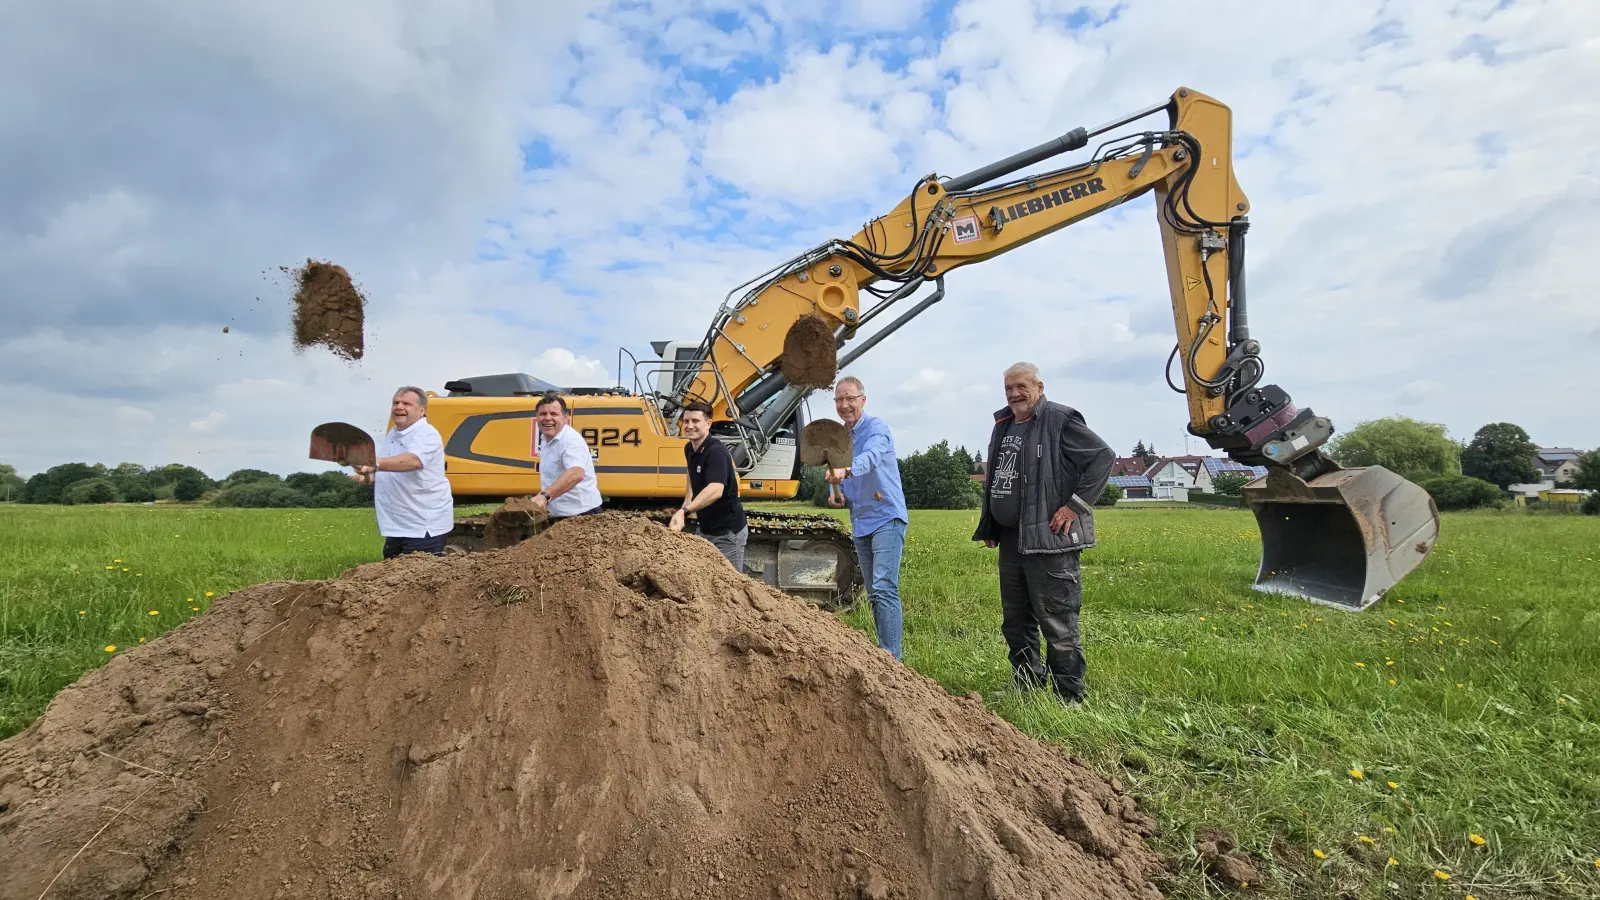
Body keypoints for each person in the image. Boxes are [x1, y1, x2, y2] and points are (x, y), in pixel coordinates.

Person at [972, 362, 1114, 704]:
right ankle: (1027, 685)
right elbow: (998, 478)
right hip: (1011, 540)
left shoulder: (1060, 420)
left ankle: (1069, 696)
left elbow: (1103, 458)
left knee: (1057, 622)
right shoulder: (1004, 424)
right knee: (1016, 621)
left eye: (1021, 386)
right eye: (1008, 388)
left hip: (1049, 541)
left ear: (1039, 386)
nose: (1014, 394)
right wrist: (992, 522)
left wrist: (1075, 506)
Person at [824, 376, 909, 660]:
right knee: (874, 592)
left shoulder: (876, 428)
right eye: (839, 400)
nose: (845, 405)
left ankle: (891, 659)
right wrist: (837, 493)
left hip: (886, 517)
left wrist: (845, 471)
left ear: (863, 399)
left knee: (884, 587)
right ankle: (885, 653)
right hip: (861, 521)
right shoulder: (840, 439)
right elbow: (841, 478)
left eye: (850, 398)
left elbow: (870, 458)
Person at [353, 386, 454, 559]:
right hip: (398, 524)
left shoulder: (427, 433)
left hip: (423, 527)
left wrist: (375, 464)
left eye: (406, 403)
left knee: (417, 580)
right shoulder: (393, 434)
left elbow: (413, 461)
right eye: (395, 403)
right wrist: (369, 477)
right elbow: (391, 469)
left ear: (422, 411)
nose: (399, 407)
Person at [669, 401, 749, 570]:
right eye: (686, 421)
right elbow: (691, 472)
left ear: (708, 423)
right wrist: (687, 501)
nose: (689, 426)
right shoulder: (689, 448)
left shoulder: (716, 452)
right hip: (705, 529)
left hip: (727, 534)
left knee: (731, 586)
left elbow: (716, 489)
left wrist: (685, 511)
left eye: (695, 421)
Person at [528, 393, 603, 519]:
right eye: (542, 414)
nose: (547, 418)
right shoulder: (547, 439)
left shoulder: (570, 440)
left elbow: (576, 473)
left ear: (565, 417)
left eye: (554, 414)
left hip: (581, 515)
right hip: (562, 514)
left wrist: (545, 496)